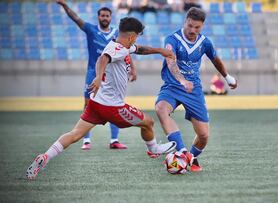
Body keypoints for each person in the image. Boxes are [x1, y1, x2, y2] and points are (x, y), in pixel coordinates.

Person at [26, 17, 177, 180]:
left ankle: (44, 157)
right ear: (132, 36)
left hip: (96, 103)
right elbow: (102, 59)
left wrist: (160, 51)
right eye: (137, 36)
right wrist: (98, 77)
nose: (136, 40)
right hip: (113, 107)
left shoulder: (122, 46)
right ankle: (153, 148)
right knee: (148, 122)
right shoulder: (116, 49)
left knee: (75, 134)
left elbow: (140, 49)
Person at [154, 8, 237, 172]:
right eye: (190, 25)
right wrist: (182, 80)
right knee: (161, 108)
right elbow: (171, 62)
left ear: (202, 26)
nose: (192, 30)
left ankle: (191, 158)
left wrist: (228, 78)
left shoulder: (205, 42)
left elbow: (215, 59)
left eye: (196, 27)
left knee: (204, 135)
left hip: (194, 90)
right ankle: (182, 152)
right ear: (185, 21)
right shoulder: (172, 39)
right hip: (172, 86)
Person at [57, 0, 130, 150]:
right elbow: (76, 18)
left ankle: (114, 140)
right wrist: (65, 6)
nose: (104, 18)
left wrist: (132, 68)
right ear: (98, 17)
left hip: (112, 75)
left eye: (107, 16)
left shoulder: (116, 33)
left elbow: (126, 50)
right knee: (87, 104)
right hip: (93, 73)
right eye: (102, 15)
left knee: (115, 104)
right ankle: (86, 141)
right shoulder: (91, 30)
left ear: (111, 17)